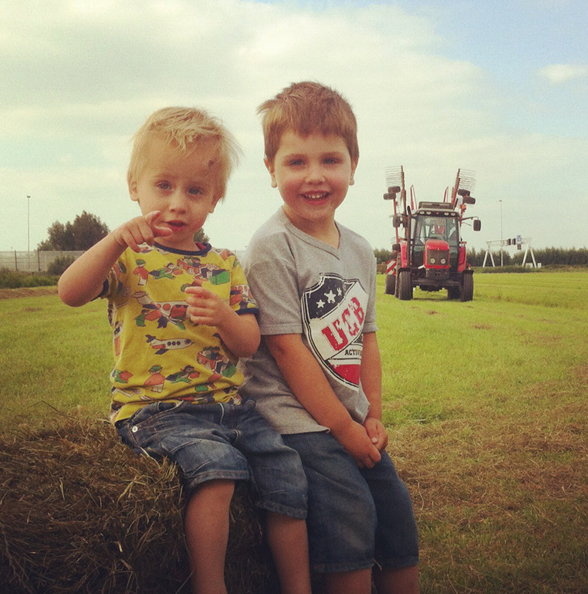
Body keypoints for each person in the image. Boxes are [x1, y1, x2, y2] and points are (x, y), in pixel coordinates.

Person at [58, 107, 311, 594]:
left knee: (288, 471)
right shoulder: (130, 259)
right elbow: (70, 291)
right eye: (164, 186)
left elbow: (250, 343)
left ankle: (298, 587)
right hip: (156, 410)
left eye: (195, 191)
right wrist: (111, 241)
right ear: (135, 185)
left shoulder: (225, 265)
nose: (178, 203)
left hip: (231, 408)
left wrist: (224, 319)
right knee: (216, 471)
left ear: (215, 199)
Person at [240, 82, 420, 594]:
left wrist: (373, 414)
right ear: (272, 170)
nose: (315, 176)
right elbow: (287, 351)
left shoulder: (361, 250)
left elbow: (368, 338)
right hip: (293, 418)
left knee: (396, 511)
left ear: (353, 167)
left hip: (347, 417)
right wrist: (343, 430)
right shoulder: (272, 247)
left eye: (330, 160)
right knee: (350, 513)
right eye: (296, 163)